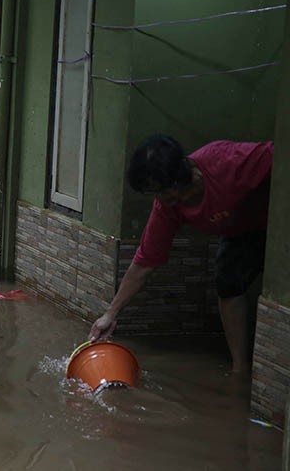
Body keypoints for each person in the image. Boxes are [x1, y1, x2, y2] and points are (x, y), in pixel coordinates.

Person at [88, 135, 273, 374]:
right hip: (242, 232)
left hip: (276, 218)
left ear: (177, 180)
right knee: (227, 281)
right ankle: (240, 369)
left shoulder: (227, 161)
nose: (157, 198)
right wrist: (110, 314)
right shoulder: (167, 207)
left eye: (158, 190)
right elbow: (145, 261)